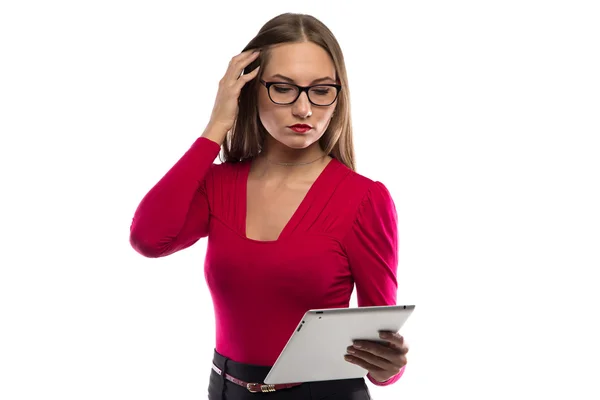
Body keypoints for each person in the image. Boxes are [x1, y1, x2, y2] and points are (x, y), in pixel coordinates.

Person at [129, 12, 409, 400]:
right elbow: (148, 239)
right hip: (225, 391)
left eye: (321, 90)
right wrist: (215, 128)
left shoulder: (364, 199)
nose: (304, 109)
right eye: (283, 88)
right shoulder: (218, 185)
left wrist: (388, 368)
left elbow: (378, 344)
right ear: (250, 88)